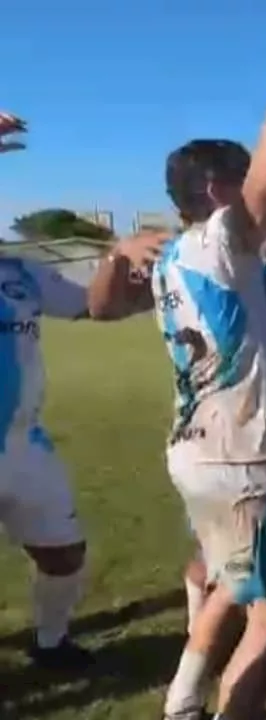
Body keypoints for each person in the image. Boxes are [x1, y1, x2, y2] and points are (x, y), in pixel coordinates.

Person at [87, 21, 266, 720]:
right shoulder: (220, 242)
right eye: (242, 177)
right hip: (243, 455)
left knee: (226, 583)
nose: (260, 189)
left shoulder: (177, 257)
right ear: (221, 189)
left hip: (198, 450)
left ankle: (184, 699)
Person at [0, 108, 149, 670]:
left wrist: (128, 262)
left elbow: (94, 306)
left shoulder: (17, 271)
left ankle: (50, 643)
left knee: (64, 555)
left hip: (22, 444)